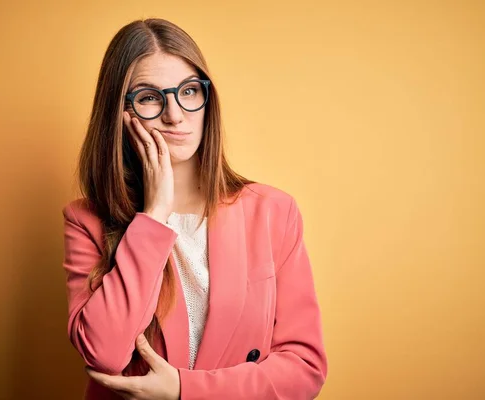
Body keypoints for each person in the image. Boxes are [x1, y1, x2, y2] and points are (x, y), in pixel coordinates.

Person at [61, 18, 327, 400]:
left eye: (188, 90)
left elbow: (304, 367)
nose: (175, 114)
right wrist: (152, 216)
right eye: (150, 97)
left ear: (206, 98)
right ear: (119, 113)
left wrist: (185, 390)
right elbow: (104, 353)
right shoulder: (85, 220)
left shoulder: (273, 211)